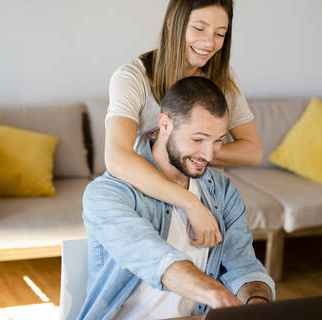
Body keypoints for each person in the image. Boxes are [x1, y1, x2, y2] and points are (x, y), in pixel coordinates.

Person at [78, 77, 274, 320]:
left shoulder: (223, 192)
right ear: (165, 124)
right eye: (198, 139)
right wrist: (217, 295)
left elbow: (243, 265)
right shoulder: (108, 195)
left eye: (218, 141)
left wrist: (258, 302)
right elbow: (158, 260)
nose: (209, 154)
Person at [105, 0, 262, 249]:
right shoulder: (132, 79)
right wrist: (188, 203)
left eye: (220, 34)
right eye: (199, 28)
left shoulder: (223, 79)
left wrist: (191, 150)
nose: (209, 43)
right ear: (172, 23)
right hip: (148, 197)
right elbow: (116, 158)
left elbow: (252, 152)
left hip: (203, 193)